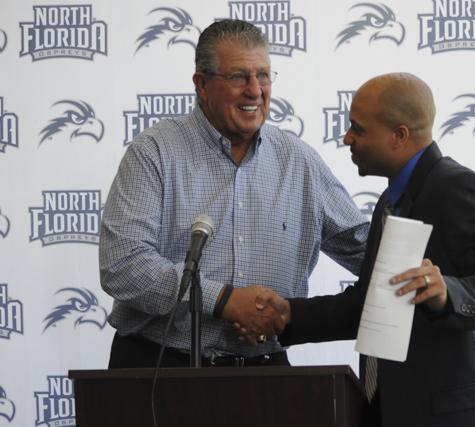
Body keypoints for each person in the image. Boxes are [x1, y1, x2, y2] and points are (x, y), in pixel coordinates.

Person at [252, 73, 475, 426]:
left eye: (358, 129)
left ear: (399, 136)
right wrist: (288, 315)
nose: (347, 138)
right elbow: (373, 306)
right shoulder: (390, 200)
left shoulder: (456, 188)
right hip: (394, 410)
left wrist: (449, 292)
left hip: (453, 415)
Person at [98, 19, 368, 368]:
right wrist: (223, 300)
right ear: (202, 84)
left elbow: (365, 248)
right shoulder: (154, 152)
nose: (255, 90)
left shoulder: (298, 160)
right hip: (161, 367)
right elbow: (123, 265)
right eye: (239, 76)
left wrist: (441, 269)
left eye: (264, 75)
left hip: (265, 370)